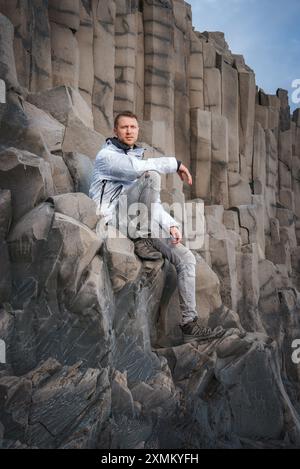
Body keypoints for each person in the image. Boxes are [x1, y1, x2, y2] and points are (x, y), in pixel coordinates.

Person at [89, 111, 225, 343]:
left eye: (133, 127)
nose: (129, 131)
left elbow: (153, 204)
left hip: (139, 221)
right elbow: (138, 170)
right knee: (151, 175)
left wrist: (171, 225)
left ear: (138, 130)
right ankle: (142, 241)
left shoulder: (136, 156)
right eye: (124, 127)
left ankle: (189, 323)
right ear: (115, 131)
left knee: (186, 258)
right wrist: (176, 164)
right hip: (115, 219)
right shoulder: (107, 157)